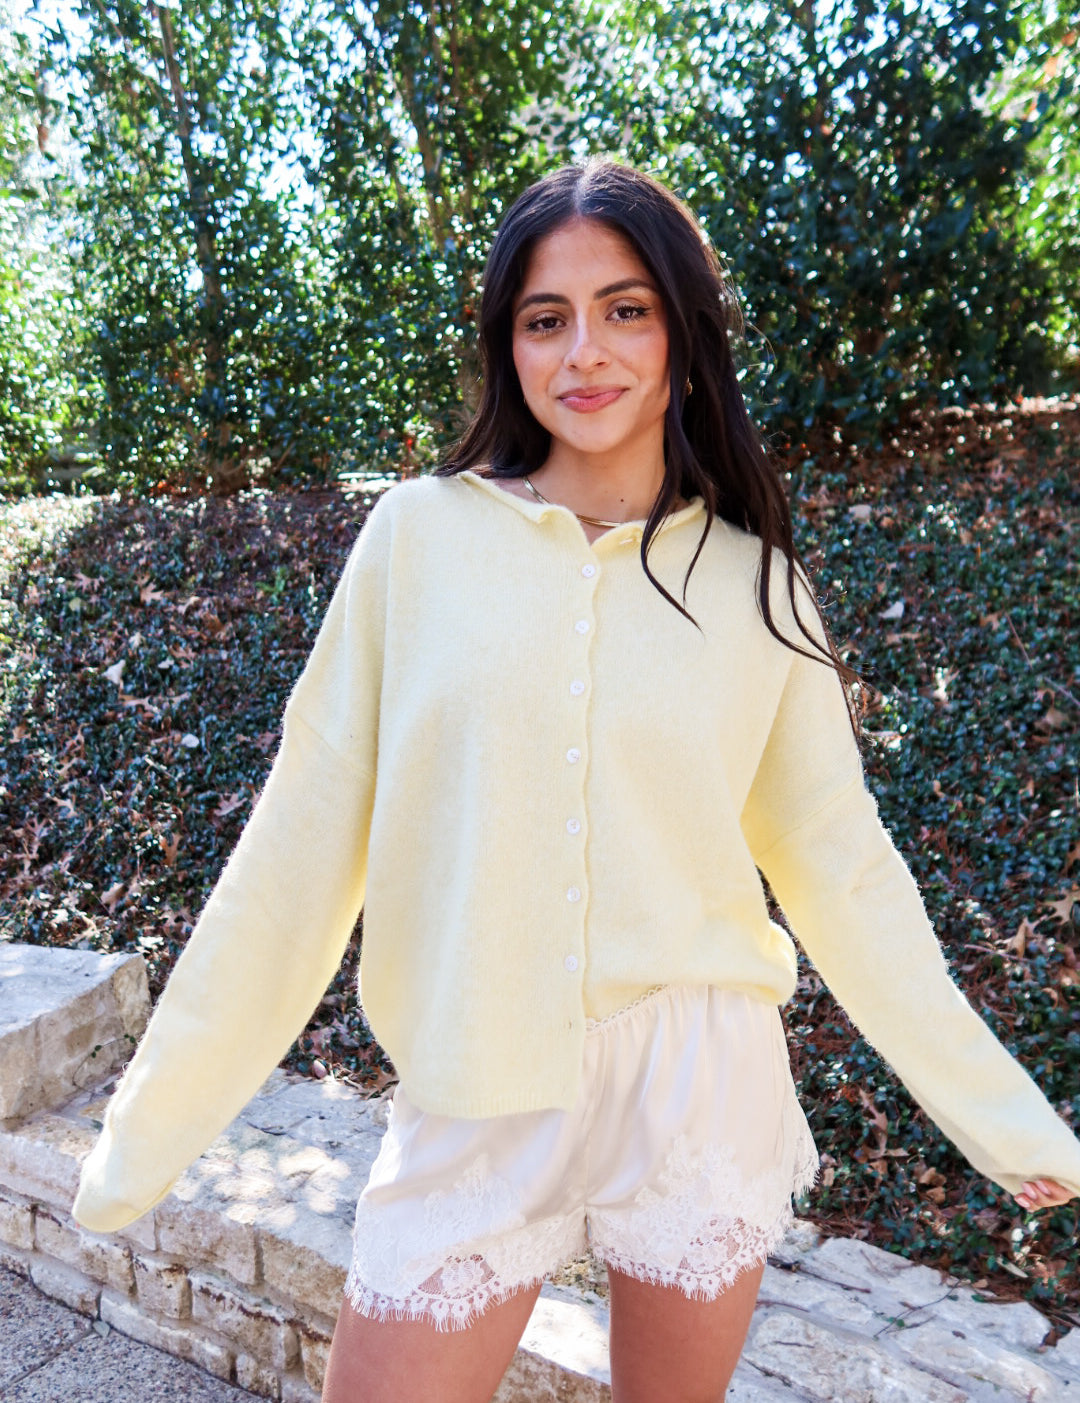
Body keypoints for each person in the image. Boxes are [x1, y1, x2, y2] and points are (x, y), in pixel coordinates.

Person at [72, 157, 1080, 1403]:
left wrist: (998, 1114)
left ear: (683, 333)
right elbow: (299, 839)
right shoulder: (417, 538)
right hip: (475, 1081)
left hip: (700, 1080)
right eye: (546, 318)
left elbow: (842, 862)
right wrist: (150, 1130)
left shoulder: (756, 584)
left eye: (626, 309)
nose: (584, 351)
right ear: (509, 346)